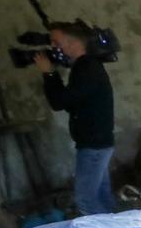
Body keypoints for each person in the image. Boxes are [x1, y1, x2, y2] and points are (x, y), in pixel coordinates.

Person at [35, 21, 115, 215]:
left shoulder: (87, 68)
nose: (53, 47)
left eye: (56, 42)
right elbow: (73, 103)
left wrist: (49, 73)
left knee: (85, 201)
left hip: (93, 146)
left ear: (73, 43)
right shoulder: (85, 67)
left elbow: (59, 102)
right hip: (97, 143)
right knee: (102, 197)